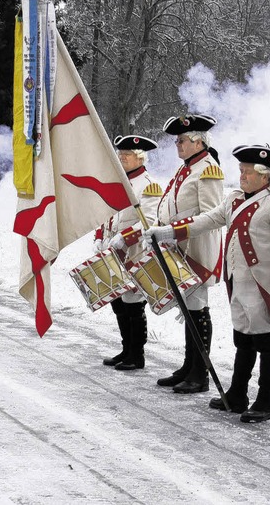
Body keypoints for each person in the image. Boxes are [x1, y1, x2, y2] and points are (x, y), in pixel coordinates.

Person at [146, 145, 270, 422]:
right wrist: (167, 232)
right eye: (241, 171)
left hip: (262, 283)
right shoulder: (234, 200)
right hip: (237, 280)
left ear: (265, 177)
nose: (242, 176)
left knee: (264, 340)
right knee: (242, 337)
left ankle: (266, 401)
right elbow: (207, 220)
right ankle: (238, 393)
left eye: (248, 172)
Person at [153, 114, 223, 394]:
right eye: (177, 140)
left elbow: (210, 215)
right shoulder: (188, 168)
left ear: (197, 141)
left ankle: (200, 373)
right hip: (179, 245)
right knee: (188, 308)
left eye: (181, 140)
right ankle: (188, 365)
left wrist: (173, 230)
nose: (177, 145)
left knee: (197, 308)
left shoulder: (207, 169)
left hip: (197, 248)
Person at [95, 134, 162, 371]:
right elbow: (106, 213)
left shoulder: (149, 185)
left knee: (133, 304)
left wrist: (124, 238)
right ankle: (126, 349)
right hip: (112, 251)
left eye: (127, 155)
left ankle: (137, 354)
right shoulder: (117, 181)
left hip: (133, 252)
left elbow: (150, 222)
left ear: (139, 157)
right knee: (118, 303)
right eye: (120, 154)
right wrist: (99, 238)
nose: (122, 158)